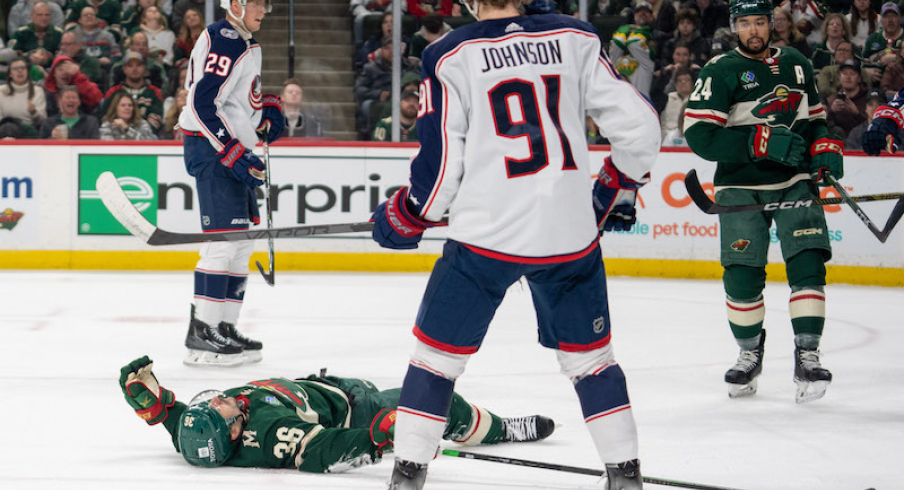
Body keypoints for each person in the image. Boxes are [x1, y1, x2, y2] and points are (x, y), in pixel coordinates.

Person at [368, 0, 660, 488]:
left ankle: (408, 476)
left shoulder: (449, 53)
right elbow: (642, 129)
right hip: (568, 235)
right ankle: (625, 477)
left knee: (435, 361)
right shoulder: (577, 37)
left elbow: (441, 173)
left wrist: (407, 214)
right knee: (593, 362)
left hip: (485, 239)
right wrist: (614, 184)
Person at [684, 0, 840, 405]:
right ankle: (749, 352)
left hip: (794, 180)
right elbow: (700, 135)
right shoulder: (719, 70)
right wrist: (759, 141)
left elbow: (815, 118)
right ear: (735, 27)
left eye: (760, 22)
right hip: (741, 187)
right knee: (741, 272)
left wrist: (823, 145)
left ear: (772, 24)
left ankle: (807, 353)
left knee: (808, 262)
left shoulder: (796, 62)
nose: (753, 30)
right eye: (745, 23)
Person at [119, 356, 554, 471]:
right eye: (217, 408)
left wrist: (163, 410)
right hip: (354, 408)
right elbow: (323, 450)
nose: (214, 400)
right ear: (235, 433)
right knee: (438, 399)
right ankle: (500, 430)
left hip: (328, 386)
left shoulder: (204, 433)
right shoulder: (270, 434)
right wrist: (377, 437)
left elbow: (184, 430)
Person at [176, 0, 284, 367]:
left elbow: (236, 99)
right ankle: (202, 332)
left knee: (240, 244)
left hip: (228, 151)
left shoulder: (245, 42)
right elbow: (203, 104)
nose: (264, 9)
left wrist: (264, 112)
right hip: (213, 151)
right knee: (223, 244)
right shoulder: (225, 38)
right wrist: (233, 150)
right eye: (257, 2)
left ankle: (224, 325)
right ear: (235, 3)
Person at [102, 50, 164, 132]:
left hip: (146, 140)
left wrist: (132, 131)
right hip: (117, 137)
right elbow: (106, 117)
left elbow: (156, 120)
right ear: (124, 69)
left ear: (144, 68)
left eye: (138, 65)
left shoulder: (154, 92)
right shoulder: (114, 92)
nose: (134, 69)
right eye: (130, 66)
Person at [609, 1, 657, 97]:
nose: (643, 14)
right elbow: (616, 43)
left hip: (641, 99)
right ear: (634, 15)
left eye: (647, 12)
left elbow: (634, 43)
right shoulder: (625, 33)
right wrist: (624, 35)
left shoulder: (656, 36)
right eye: (639, 11)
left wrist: (638, 32)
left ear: (652, 17)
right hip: (619, 99)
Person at [7, 2, 63, 69]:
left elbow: (63, 56)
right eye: (40, 15)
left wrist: (48, 60)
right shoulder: (20, 33)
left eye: (47, 15)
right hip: (26, 69)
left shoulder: (58, 33)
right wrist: (29, 57)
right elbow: (12, 55)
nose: (44, 18)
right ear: (32, 16)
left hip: (52, 69)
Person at [825, 58, 869, 140]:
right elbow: (824, 126)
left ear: (859, 78)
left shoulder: (867, 99)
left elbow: (872, 123)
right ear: (840, 77)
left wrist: (857, 113)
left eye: (852, 74)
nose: (848, 77)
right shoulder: (831, 99)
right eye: (844, 74)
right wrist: (831, 111)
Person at [0, 56, 46, 130]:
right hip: (5, 130)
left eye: (23, 68)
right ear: (10, 74)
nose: (20, 71)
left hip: (29, 132)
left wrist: (34, 113)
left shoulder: (38, 91)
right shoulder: (1, 91)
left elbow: (42, 123)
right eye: (15, 69)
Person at [861, 3, 903, 78]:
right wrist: (866, 71)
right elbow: (862, 63)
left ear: (900, 18)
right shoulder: (873, 38)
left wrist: (896, 58)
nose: (890, 20)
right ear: (881, 20)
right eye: (886, 16)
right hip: (875, 83)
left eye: (893, 16)